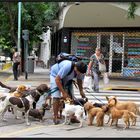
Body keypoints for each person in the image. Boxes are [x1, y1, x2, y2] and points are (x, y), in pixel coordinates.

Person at [50, 60, 87, 125]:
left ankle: (72, 117)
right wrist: (63, 93)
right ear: (75, 67)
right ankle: (55, 117)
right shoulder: (67, 66)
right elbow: (57, 80)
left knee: (70, 96)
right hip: (55, 76)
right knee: (56, 96)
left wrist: (81, 91)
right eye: (78, 72)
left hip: (66, 78)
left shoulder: (80, 70)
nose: (79, 74)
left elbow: (79, 80)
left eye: (81, 73)